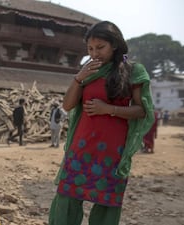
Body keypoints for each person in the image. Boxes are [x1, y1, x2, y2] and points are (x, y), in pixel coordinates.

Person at [48, 21, 154, 225]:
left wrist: (109, 109)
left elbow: (142, 110)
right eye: (90, 49)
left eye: (100, 48)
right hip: (81, 146)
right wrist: (79, 78)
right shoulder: (88, 72)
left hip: (112, 152)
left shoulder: (133, 71)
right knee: (68, 197)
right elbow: (68, 105)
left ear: (114, 45)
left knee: (106, 203)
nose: (94, 53)